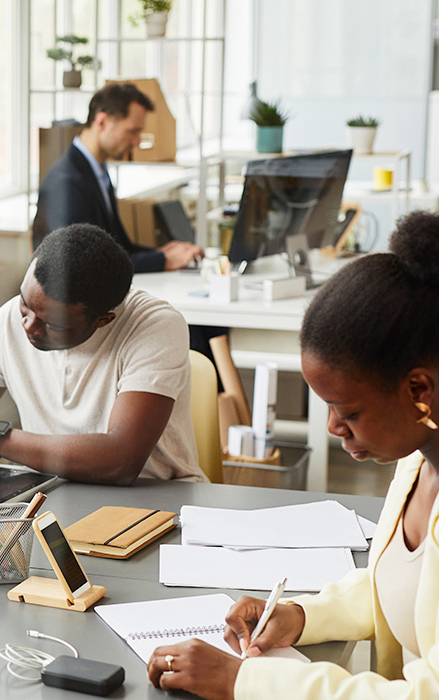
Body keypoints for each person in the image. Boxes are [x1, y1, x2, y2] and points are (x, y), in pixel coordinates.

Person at [146, 210, 439, 699]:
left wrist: (243, 680)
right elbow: (396, 587)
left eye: (348, 410)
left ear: (417, 389)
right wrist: (299, 615)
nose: (332, 427)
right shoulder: (417, 459)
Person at [0, 224, 203, 484]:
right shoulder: (12, 319)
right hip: (52, 492)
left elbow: (121, 460)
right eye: (25, 304)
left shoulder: (154, 326)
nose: (28, 325)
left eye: (52, 324)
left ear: (102, 320)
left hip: (156, 497)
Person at [32, 82, 202, 273]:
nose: (137, 141)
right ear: (102, 122)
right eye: (132, 131)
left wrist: (163, 253)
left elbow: (117, 248)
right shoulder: (67, 181)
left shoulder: (98, 171)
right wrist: (162, 260)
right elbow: (85, 263)